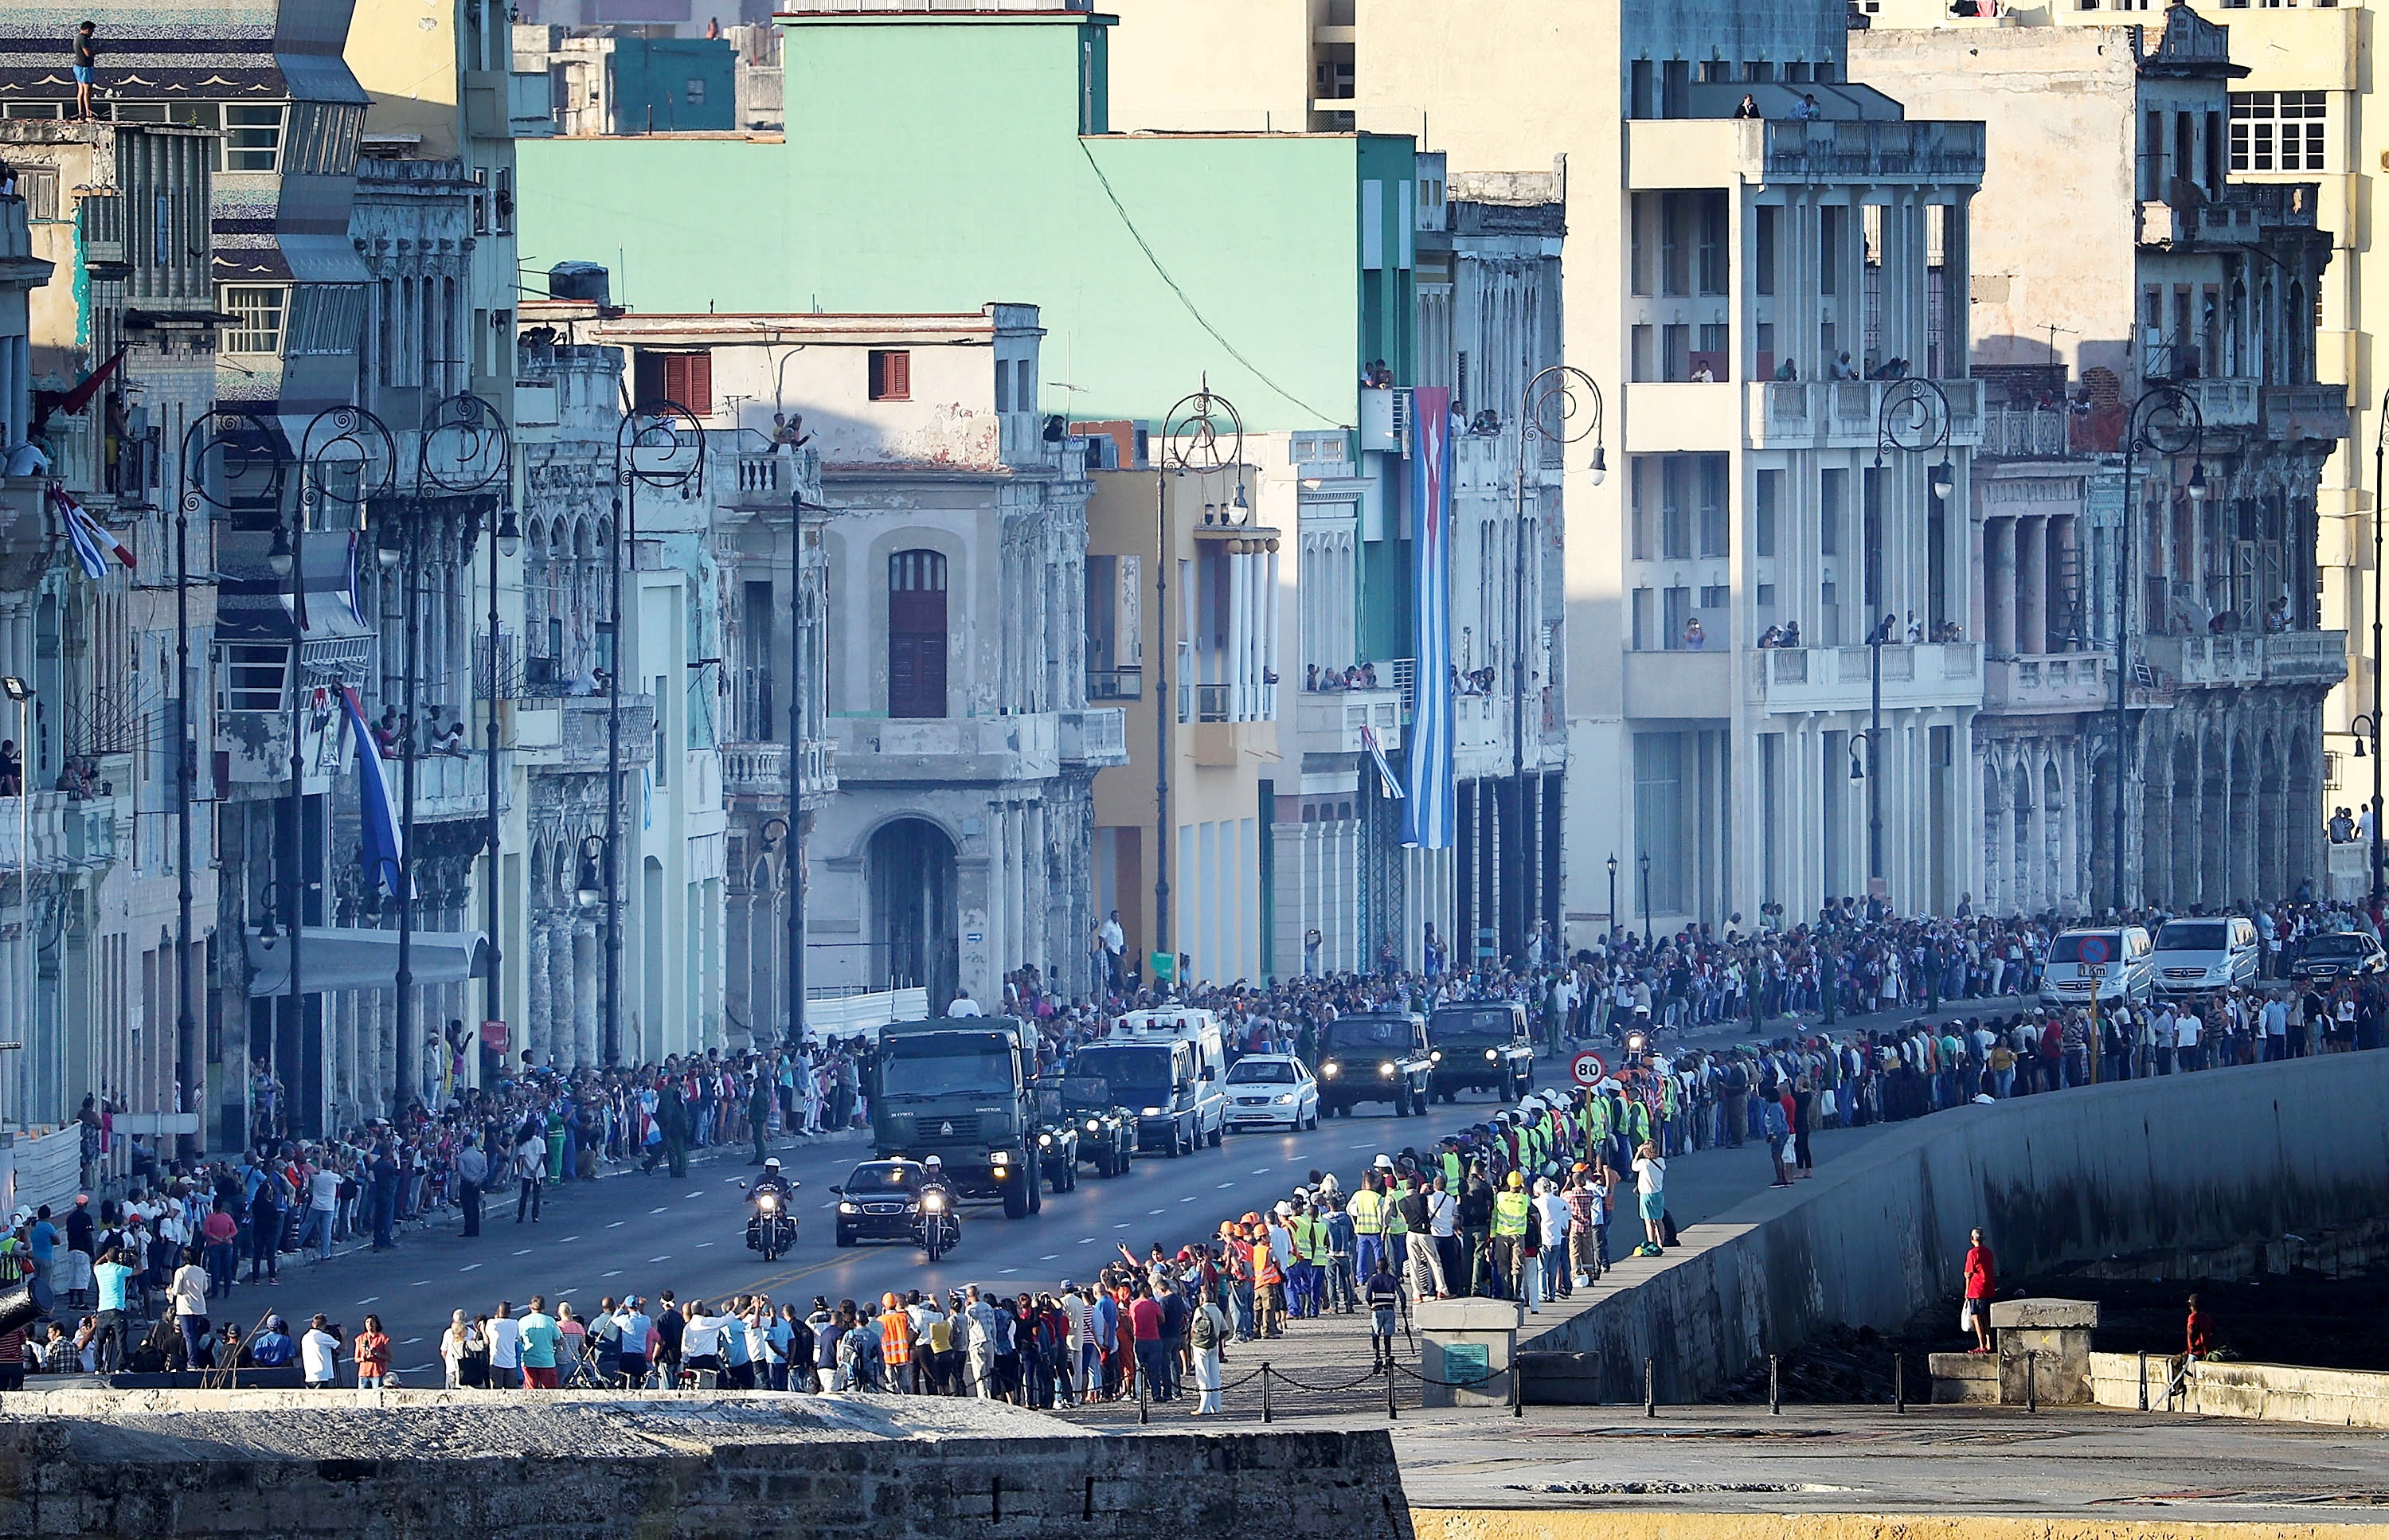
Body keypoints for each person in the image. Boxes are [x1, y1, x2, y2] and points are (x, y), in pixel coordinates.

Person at [1188, 1282, 1230, 1415]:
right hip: (1214, 1346)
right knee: (1214, 1376)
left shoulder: (1200, 1311)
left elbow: (1193, 1329)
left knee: (1203, 1375)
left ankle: (1204, 1407)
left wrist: (1192, 1344)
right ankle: (1216, 1407)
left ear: (1202, 1299)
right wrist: (1216, 1338)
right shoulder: (1217, 1311)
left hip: (1200, 1346)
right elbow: (1225, 1330)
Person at [1363, 1253, 1402, 1370]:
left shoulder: (1373, 1280)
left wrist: (1371, 1304)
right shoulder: (1392, 1279)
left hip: (1378, 1310)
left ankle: (1377, 1357)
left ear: (1377, 1268)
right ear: (1387, 1268)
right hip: (1389, 1310)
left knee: (1375, 1334)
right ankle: (1388, 1357)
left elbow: (1367, 1296)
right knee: (1387, 1336)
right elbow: (1402, 1294)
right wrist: (1403, 1306)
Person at [1631, 1140, 1668, 1257]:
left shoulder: (1644, 1163)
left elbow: (1633, 1167)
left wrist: (1638, 1152)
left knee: (1648, 1221)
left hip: (1646, 1195)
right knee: (1659, 1220)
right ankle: (1661, 1243)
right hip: (1658, 1194)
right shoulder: (1661, 1162)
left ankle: (1651, 1243)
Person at [1962, 1228, 1996, 1354]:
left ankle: (1981, 1346)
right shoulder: (1989, 1252)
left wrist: (1967, 1290)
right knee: (1986, 1317)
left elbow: (1969, 1274)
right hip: (1989, 1289)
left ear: (1972, 1239)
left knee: (1976, 1318)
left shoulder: (1972, 1253)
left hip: (1976, 1290)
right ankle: (1989, 1344)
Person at [519, 1295, 562, 1389]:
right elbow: (558, 1338)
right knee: (550, 1390)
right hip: (547, 1361)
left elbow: (519, 1339)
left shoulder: (522, 1321)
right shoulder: (550, 1321)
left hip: (529, 1360)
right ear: (543, 1308)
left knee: (530, 1391)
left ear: (530, 1306)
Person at [300, 1314, 342, 1389]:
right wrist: (343, 1335)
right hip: (322, 1376)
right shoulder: (324, 1337)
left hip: (309, 1375)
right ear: (324, 1325)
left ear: (313, 1324)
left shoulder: (305, 1337)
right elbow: (342, 1347)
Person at [354, 1314, 391, 1390]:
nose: (369, 1324)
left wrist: (376, 1353)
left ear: (376, 1324)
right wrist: (362, 1358)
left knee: (377, 1395)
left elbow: (389, 1358)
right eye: (367, 1322)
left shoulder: (382, 1338)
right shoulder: (360, 1338)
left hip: (377, 1373)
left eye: (372, 1322)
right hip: (364, 1373)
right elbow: (356, 1359)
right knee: (362, 1395)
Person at [72, 22, 98, 121]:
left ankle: (81, 114)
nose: (92, 33)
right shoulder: (83, 39)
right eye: (91, 31)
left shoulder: (77, 37)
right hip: (84, 68)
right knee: (88, 91)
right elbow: (88, 54)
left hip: (78, 66)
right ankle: (88, 115)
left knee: (81, 91)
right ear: (87, 29)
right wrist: (98, 51)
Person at [2184, 1294, 2216, 1360]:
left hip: (2195, 1353)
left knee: (2175, 1363)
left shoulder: (2192, 1317)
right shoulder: (2206, 1317)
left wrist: (2192, 1346)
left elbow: (2191, 1331)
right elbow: (2215, 1332)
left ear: (2190, 1305)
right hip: (2207, 1352)